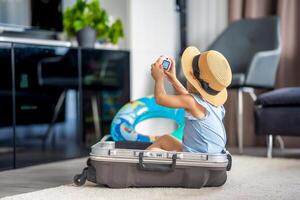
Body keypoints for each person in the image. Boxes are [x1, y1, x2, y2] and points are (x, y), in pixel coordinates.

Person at [146, 46, 232, 153]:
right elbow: (188, 96)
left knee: (151, 152)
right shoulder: (213, 104)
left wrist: (158, 79)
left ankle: (136, 168)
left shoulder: (191, 101)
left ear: (193, 80)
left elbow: (161, 99)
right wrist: (173, 78)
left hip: (198, 159)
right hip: (209, 154)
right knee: (165, 139)